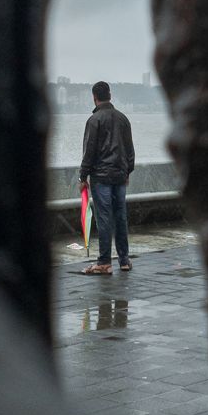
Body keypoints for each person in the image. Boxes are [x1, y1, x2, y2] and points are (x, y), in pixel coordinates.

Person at [79, 81, 135, 274]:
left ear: (94, 97)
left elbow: (89, 152)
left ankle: (104, 262)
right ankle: (124, 260)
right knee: (120, 217)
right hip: (119, 176)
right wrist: (127, 172)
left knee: (104, 218)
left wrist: (82, 176)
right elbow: (130, 151)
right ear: (110, 95)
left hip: (101, 177)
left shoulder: (94, 121)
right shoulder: (123, 119)